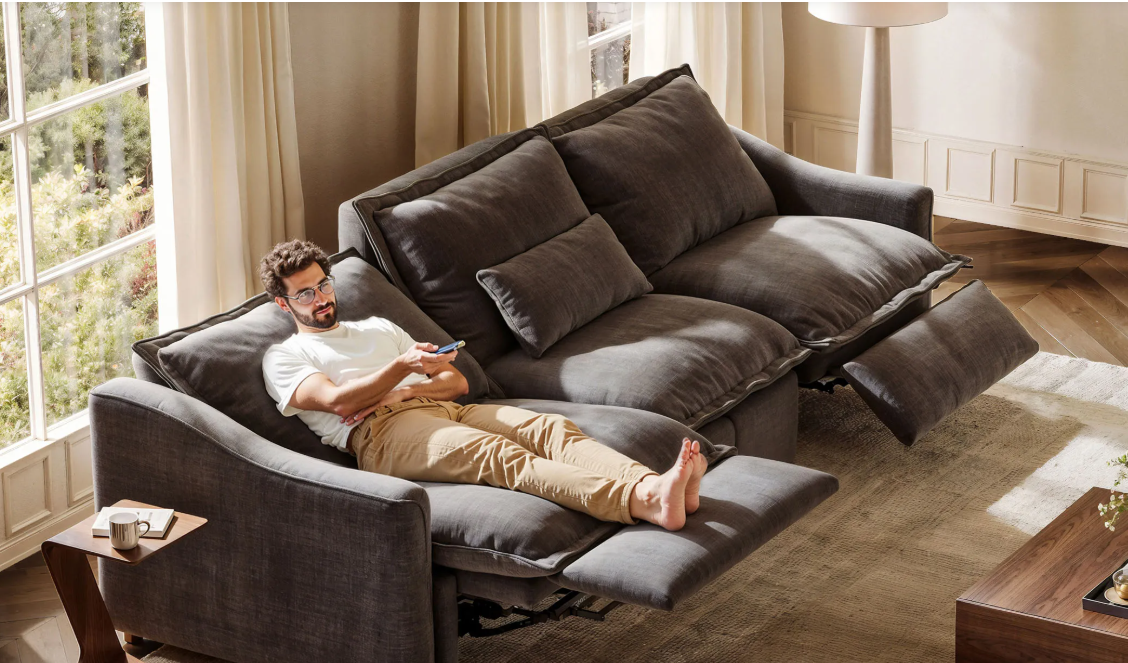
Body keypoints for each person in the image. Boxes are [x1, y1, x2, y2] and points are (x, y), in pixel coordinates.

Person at [259, 240, 706, 531]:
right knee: (500, 455)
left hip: (436, 407)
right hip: (382, 436)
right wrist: (401, 372)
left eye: (323, 285)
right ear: (283, 303)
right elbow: (339, 402)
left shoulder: (377, 327)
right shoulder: (285, 357)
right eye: (305, 294)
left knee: (549, 429)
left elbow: (455, 382)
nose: (321, 299)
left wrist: (407, 389)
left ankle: (657, 484)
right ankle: (640, 499)